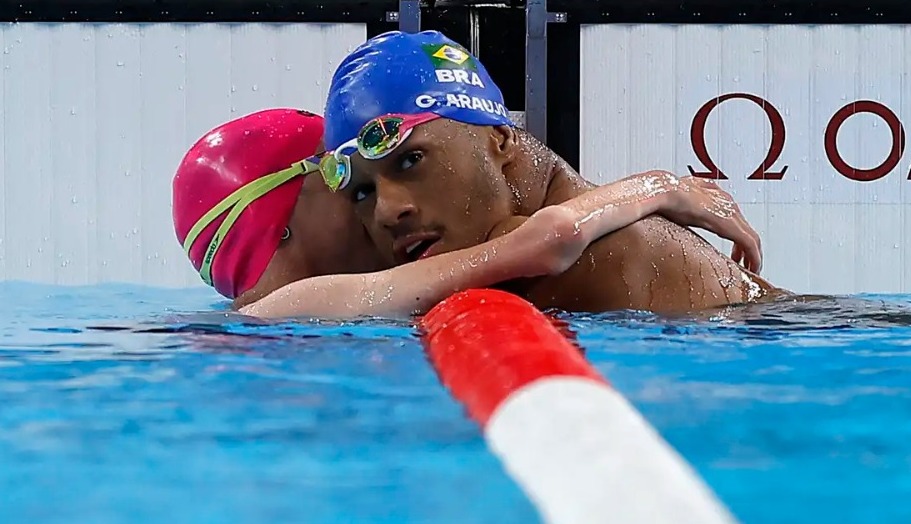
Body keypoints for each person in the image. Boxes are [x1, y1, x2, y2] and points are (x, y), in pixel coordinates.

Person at [321, 30, 786, 315]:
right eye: (361, 192)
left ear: (500, 140)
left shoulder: (603, 254)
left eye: (410, 160)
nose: (387, 211)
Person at [171, 108, 764, 320]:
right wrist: (660, 188)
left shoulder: (262, 327)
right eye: (350, 183)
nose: (383, 209)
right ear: (290, 216)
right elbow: (545, 241)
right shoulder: (297, 310)